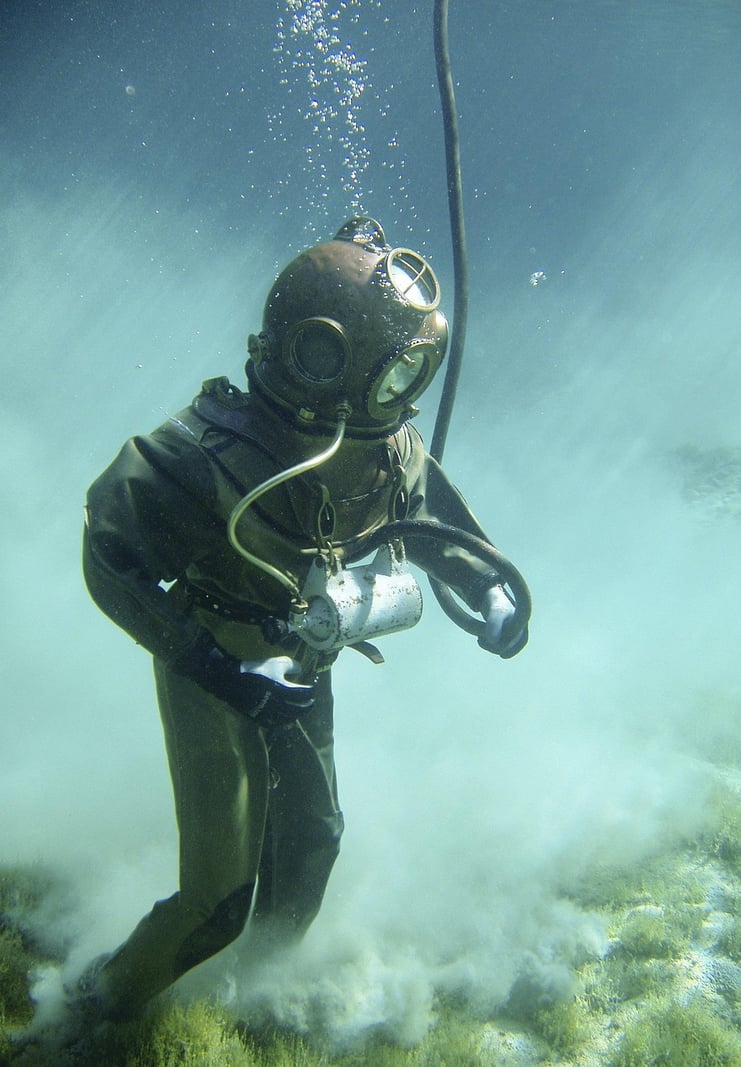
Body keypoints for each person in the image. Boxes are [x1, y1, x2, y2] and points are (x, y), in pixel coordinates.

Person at [74, 217, 526, 1028]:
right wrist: (213, 666)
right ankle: (92, 1005)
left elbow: (429, 524)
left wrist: (490, 592)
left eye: (417, 373)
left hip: (300, 662)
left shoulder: (390, 448)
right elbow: (109, 553)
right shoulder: (204, 456)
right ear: (320, 358)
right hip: (214, 659)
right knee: (218, 899)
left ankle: (253, 995)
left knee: (311, 848)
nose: (407, 396)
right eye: (396, 376)